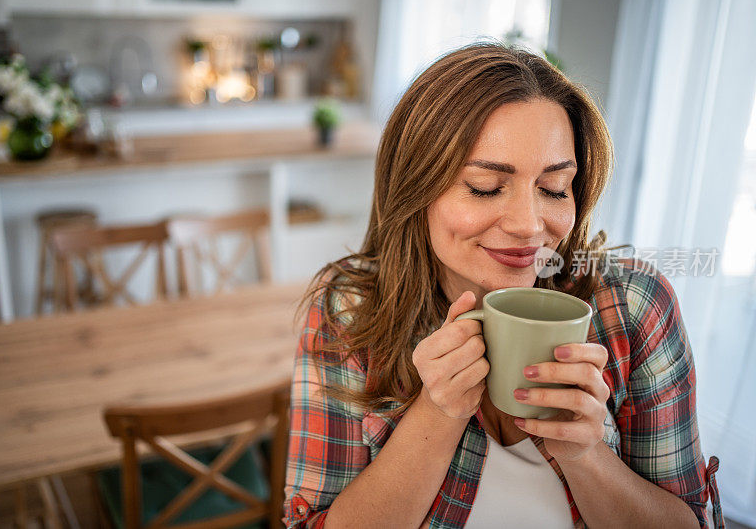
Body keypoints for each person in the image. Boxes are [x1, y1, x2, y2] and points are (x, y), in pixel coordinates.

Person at [282, 42, 723, 528]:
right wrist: (436, 413)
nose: (529, 225)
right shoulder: (350, 307)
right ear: (415, 186)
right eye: (485, 188)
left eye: (555, 189)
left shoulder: (635, 306)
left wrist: (587, 454)